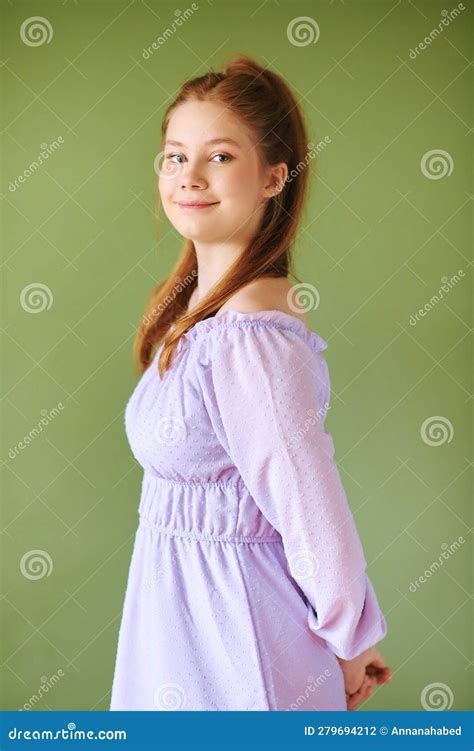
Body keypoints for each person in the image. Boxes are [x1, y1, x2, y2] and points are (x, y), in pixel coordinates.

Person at [110, 54, 392, 712]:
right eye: (175, 156)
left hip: (238, 655)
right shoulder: (204, 318)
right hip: (180, 644)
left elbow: (308, 505)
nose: (190, 176)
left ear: (274, 176)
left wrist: (350, 641)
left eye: (221, 157)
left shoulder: (251, 340)